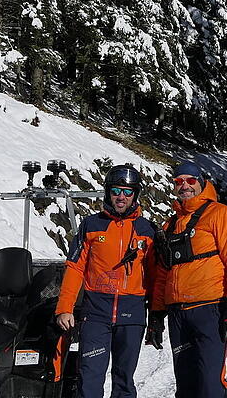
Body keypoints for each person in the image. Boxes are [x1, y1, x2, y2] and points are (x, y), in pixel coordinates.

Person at [145, 161, 227, 398]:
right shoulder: (170, 225)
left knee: (210, 384)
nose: (185, 186)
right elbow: (163, 272)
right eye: (178, 181)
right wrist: (155, 316)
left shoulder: (221, 214)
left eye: (190, 180)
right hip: (177, 315)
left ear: (201, 183)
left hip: (209, 311)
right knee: (186, 384)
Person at [55, 164, 158, 398]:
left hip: (132, 314)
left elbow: (155, 277)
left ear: (135, 195)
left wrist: (155, 317)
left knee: (124, 379)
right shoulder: (91, 225)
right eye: (116, 191)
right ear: (107, 192)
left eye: (127, 192)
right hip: (96, 313)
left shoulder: (147, 230)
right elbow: (74, 268)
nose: (121, 197)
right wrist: (64, 308)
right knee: (90, 377)